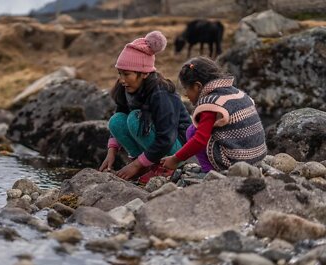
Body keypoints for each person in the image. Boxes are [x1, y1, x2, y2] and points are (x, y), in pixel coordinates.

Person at [99, 31, 191, 182]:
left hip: (177, 149)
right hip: (158, 145)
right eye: (120, 73)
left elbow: (166, 138)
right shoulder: (127, 89)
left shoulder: (161, 94)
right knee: (116, 120)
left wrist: (135, 165)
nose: (122, 80)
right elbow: (120, 113)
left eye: (126, 74)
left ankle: (162, 167)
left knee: (135, 119)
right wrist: (112, 152)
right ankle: (146, 165)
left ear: (144, 74)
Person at [161, 56, 267, 172]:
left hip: (236, 162)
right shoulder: (235, 92)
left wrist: (175, 159)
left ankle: (209, 172)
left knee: (192, 131)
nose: (186, 94)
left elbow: (200, 139)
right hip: (256, 156)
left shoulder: (211, 102)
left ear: (198, 86)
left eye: (186, 88)